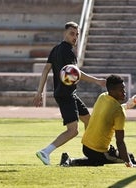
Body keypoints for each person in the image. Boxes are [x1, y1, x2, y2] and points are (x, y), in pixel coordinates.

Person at [33, 21, 106, 165]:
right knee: (73, 131)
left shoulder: (55, 49)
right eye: (72, 34)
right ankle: (45, 152)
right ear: (64, 33)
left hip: (67, 93)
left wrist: (39, 92)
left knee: (89, 121)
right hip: (65, 95)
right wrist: (97, 81)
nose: (75, 37)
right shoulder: (68, 52)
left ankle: (93, 152)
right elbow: (77, 74)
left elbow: (46, 70)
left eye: (77, 34)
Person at [60, 75, 136, 168]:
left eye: (124, 89)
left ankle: (70, 161)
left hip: (86, 146)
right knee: (128, 157)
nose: (124, 92)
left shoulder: (103, 96)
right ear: (112, 91)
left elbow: (112, 110)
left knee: (96, 162)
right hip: (98, 150)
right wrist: (128, 162)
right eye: (121, 90)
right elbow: (120, 142)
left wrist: (130, 103)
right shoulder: (118, 111)